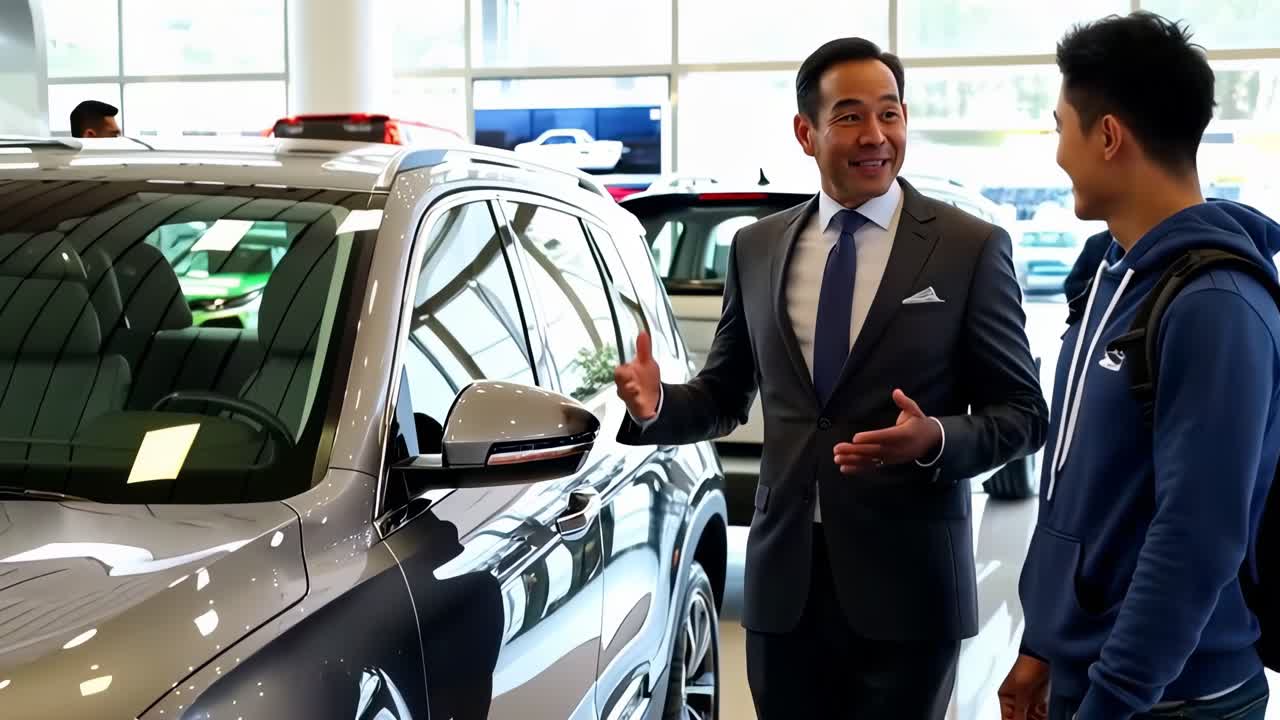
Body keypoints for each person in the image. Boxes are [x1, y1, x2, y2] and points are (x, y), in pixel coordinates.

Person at [613, 37, 1048, 719]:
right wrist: (656, 404)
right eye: (850, 116)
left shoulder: (968, 247)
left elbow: (1023, 413)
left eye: (890, 113)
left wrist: (935, 439)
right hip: (784, 587)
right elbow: (726, 396)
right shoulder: (757, 247)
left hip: (910, 588)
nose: (876, 135)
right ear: (805, 133)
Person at [999, 12, 1280, 720]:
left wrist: (1111, 699)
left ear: (1108, 136)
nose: (1058, 153)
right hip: (1095, 672)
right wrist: (1043, 643)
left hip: (1172, 698)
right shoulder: (1114, 278)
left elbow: (1198, 534)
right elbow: (1086, 487)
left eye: (1060, 127)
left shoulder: (1215, 305)